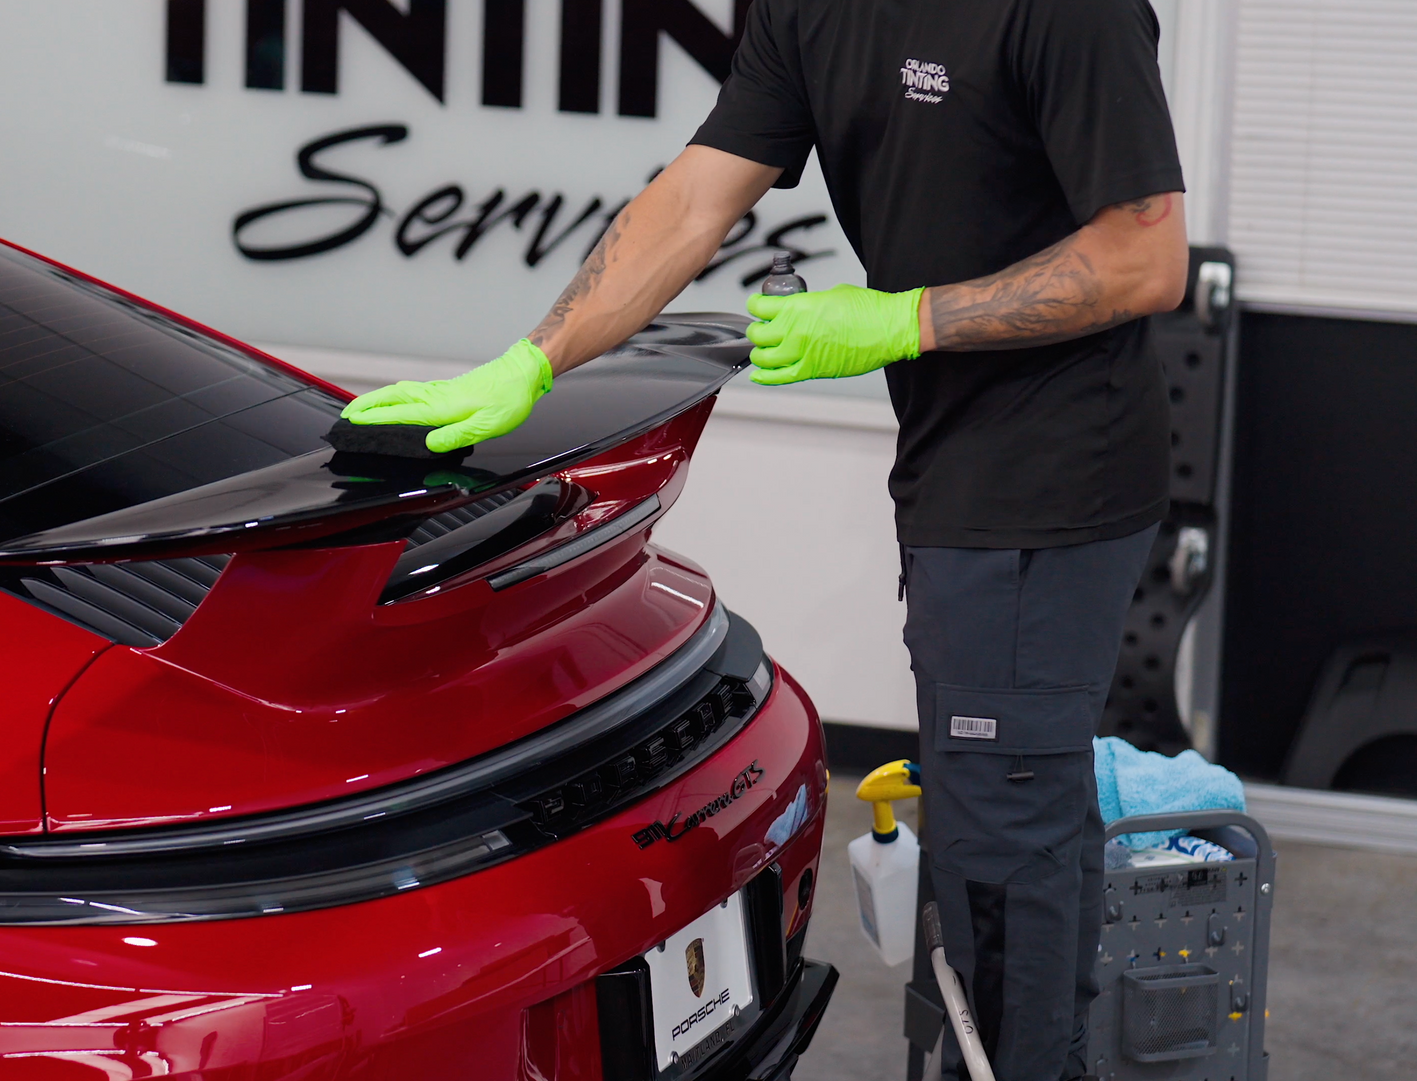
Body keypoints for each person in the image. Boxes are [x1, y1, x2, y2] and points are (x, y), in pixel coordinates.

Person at [341, 2, 1187, 1078]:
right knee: (1009, 816)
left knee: (1001, 851)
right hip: (953, 465)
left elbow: (1142, 259)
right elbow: (695, 198)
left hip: (1052, 483)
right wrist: (534, 359)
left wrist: (905, 320)